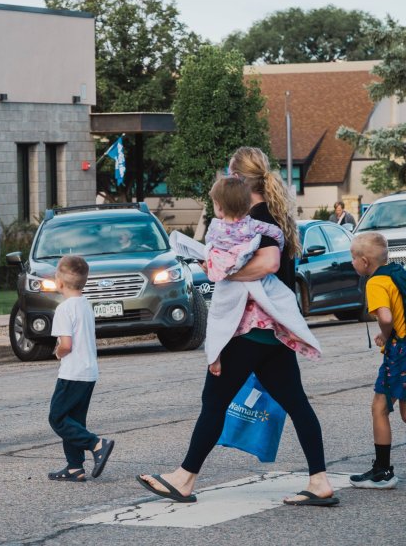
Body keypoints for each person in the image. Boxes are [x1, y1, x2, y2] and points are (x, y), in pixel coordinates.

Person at [138, 146, 338, 506]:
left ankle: (184, 479)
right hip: (271, 331)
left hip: (248, 330)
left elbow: (269, 263)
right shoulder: (269, 213)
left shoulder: (258, 217)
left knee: (213, 402)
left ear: (240, 181)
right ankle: (320, 480)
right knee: (296, 403)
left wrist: (222, 269)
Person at [204, 177, 320, 378]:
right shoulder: (253, 225)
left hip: (230, 287)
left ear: (219, 207)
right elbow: (274, 233)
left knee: (218, 317)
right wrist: (282, 242)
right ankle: (294, 332)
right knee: (284, 300)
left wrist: (213, 264)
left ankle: (214, 357)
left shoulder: (215, 227)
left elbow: (209, 247)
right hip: (256, 292)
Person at [47, 255, 114, 482]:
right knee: (74, 420)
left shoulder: (64, 309)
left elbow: (66, 345)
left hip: (72, 373)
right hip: (88, 372)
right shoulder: (85, 304)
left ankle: (96, 443)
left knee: (57, 418)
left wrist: (57, 352)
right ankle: (75, 467)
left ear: (60, 282)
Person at [348, 232, 406, 489]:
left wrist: (384, 335)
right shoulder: (397, 272)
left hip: (400, 351)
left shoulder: (376, 282)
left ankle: (383, 472)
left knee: (379, 407)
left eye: (352, 258)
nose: (351, 263)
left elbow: (385, 316)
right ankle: (382, 469)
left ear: (364, 261)